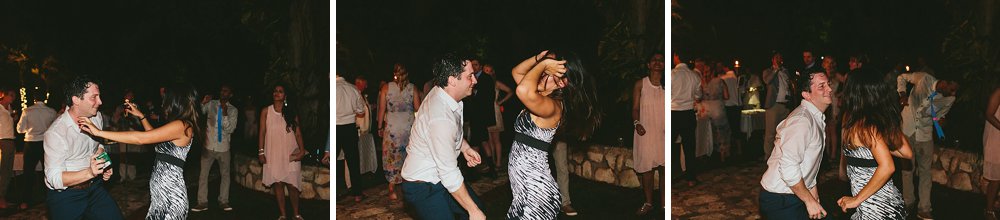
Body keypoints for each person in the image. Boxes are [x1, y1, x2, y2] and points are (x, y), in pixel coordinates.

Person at [78, 83, 200, 220]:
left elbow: (141, 138)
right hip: (161, 196)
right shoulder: (178, 125)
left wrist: (98, 132)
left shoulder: (182, 125)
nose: (163, 103)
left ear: (176, 101)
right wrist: (141, 116)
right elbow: (152, 136)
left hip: (170, 198)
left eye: (165, 99)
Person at [507, 50, 601, 219]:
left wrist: (544, 64)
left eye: (549, 73)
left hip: (536, 192)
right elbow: (516, 72)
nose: (542, 73)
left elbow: (522, 90)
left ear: (562, 82)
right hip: (525, 187)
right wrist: (539, 59)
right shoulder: (540, 95)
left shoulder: (553, 106)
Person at [400, 53, 485, 220]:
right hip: (423, 186)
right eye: (470, 76)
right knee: (474, 210)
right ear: (452, 80)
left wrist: (465, 147)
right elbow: (449, 173)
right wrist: (473, 211)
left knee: (476, 207)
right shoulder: (440, 116)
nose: (475, 80)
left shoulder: (444, 93)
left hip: (439, 177)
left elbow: (450, 134)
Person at [836, 68, 914, 219]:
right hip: (883, 201)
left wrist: (856, 200)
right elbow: (907, 152)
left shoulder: (865, 126)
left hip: (876, 208)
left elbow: (888, 166)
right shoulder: (868, 122)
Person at [43, 75, 122, 219]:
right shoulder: (56, 133)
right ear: (76, 100)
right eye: (94, 97)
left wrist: (103, 163)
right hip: (66, 195)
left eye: (99, 96)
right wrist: (90, 172)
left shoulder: (96, 117)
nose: (100, 102)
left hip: (94, 188)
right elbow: (54, 177)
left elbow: (98, 145)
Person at [758, 71, 832, 219]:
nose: (829, 89)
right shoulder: (801, 120)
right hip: (781, 199)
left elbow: (807, 162)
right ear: (806, 95)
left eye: (828, 84)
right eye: (821, 86)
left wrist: (813, 192)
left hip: (795, 193)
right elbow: (788, 167)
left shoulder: (814, 116)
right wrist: (809, 201)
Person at [898, 71, 960, 219]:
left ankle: (924, 208)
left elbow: (938, 116)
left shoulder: (950, 99)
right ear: (944, 82)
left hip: (925, 135)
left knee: (925, 172)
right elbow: (902, 77)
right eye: (952, 89)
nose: (953, 93)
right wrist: (902, 94)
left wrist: (941, 121)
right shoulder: (924, 79)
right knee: (907, 169)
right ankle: (908, 202)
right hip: (907, 129)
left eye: (956, 91)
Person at [259, 83, 308, 220]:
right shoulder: (266, 111)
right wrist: (261, 152)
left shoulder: (291, 112)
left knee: (292, 185)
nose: (277, 93)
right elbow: (262, 132)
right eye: (275, 91)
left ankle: (296, 214)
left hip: (290, 153)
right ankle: (283, 214)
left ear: (285, 96)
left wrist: (302, 150)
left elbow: (298, 133)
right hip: (273, 153)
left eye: (280, 91)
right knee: (278, 184)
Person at [377, 63, 420, 201]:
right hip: (408, 128)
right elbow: (418, 109)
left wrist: (379, 127)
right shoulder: (413, 88)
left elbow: (382, 109)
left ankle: (391, 188)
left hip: (392, 129)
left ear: (394, 74)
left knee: (391, 156)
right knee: (407, 156)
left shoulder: (386, 88)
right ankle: (409, 186)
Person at [192, 84, 238, 212]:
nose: (223, 92)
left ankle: (223, 201)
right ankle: (202, 202)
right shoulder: (211, 104)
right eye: (222, 90)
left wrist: (224, 114)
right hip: (208, 146)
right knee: (203, 175)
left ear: (230, 94)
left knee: (225, 175)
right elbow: (199, 112)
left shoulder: (233, 110)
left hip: (224, 147)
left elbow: (230, 129)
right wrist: (203, 102)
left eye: (226, 91)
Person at [633, 52, 666, 216]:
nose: (658, 62)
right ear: (648, 64)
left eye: (661, 60)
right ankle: (648, 203)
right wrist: (637, 123)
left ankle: (665, 204)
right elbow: (635, 108)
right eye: (654, 60)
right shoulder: (641, 84)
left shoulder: (668, 86)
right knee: (647, 168)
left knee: (665, 168)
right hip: (646, 131)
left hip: (664, 131)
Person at [15, 90, 58, 210]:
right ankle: (50, 198)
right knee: (47, 171)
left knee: (28, 172)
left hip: (30, 143)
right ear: (45, 98)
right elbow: (55, 128)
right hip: (45, 143)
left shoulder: (27, 111)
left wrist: (30, 128)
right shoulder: (51, 111)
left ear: (34, 99)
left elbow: (20, 130)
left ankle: (25, 201)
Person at [671, 53, 701, 186]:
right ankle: (691, 178)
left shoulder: (672, 74)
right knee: (689, 147)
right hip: (688, 113)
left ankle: (667, 177)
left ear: (677, 57)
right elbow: (698, 95)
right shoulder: (694, 76)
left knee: (669, 146)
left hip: (673, 113)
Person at [465, 58, 498, 177]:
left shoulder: (486, 78)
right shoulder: (471, 77)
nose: (474, 67)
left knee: (477, 141)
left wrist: (475, 94)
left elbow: (488, 97)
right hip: (474, 115)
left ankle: (473, 171)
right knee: (482, 140)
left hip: (481, 115)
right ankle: (489, 169)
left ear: (480, 66)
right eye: (472, 64)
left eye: (476, 64)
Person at [335, 73, 365, 202]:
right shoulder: (353, 88)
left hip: (335, 127)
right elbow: (361, 111)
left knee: (332, 160)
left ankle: (333, 192)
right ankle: (357, 193)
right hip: (349, 127)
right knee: (353, 161)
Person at [762, 52, 792, 160]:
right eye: (776, 58)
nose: (779, 59)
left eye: (780, 57)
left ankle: (781, 154)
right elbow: (767, 80)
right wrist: (776, 70)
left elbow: (789, 86)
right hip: (773, 105)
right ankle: (768, 155)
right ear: (773, 60)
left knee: (784, 132)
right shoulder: (768, 71)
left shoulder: (785, 71)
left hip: (785, 105)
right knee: (770, 132)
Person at [482, 64, 513, 168]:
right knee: (489, 139)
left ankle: (498, 162)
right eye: (485, 71)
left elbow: (510, 91)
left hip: (495, 111)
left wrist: (500, 102)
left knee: (496, 139)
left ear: (492, 72)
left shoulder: (496, 83)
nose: (487, 73)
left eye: (489, 71)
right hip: (485, 112)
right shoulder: (481, 83)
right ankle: (492, 161)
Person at [983, 86, 1000, 220]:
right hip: (995, 137)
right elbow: (989, 114)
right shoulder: (998, 92)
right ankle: (988, 210)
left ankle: (994, 203)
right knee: (996, 177)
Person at [0, 88, 16, 209]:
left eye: (14, 96)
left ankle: (3, 196)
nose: (13, 98)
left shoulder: (9, 108)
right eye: (11, 95)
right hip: (3, 140)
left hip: (10, 140)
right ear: (4, 96)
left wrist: (13, 119)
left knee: (8, 171)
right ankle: (1, 198)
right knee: (4, 170)